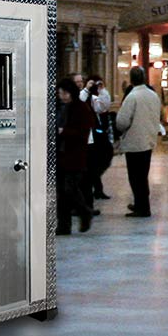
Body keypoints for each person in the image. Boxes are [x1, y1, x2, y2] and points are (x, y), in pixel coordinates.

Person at [116, 67, 163, 218]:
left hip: (134, 142)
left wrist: (119, 130)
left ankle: (142, 207)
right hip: (148, 140)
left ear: (131, 79)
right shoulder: (153, 95)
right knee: (143, 175)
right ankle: (141, 204)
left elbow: (122, 121)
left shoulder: (132, 96)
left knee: (135, 177)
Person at [55, 78, 95, 235]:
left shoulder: (81, 108)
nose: (62, 96)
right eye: (60, 93)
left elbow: (83, 132)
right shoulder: (62, 108)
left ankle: (85, 211)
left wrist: (63, 132)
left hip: (75, 155)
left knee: (69, 188)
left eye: (64, 93)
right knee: (61, 192)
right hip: (61, 154)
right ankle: (64, 225)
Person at [82, 75, 114, 202]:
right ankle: (92, 193)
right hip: (89, 137)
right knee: (92, 166)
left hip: (99, 135)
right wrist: (86, 89)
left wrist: (102, 90)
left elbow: (103, 107)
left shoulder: (96, 96)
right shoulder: (84, 96)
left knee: (100, 162)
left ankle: (97, 188)